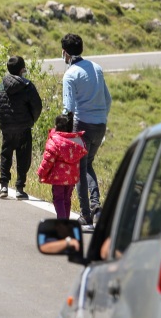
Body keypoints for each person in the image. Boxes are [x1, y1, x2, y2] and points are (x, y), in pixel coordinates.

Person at [60, 33, 112, 228]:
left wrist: (63, 132)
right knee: (88, 164)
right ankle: (97, 208)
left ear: (64, 52)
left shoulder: (70, 74)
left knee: (80, 169)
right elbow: (108, 99)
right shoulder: (96, 68)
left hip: (81, 125)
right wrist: (101, 117)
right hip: (100, 125)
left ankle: (86, 215)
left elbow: (68, 109)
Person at [0, 56, 43, 200]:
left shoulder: (1, 85)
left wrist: (4, 122)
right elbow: (37, 106)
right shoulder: (28, 86)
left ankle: (3, 186)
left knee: (6, 155)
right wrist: (31, 120)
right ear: (22, 69)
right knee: (23, 157)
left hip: (7, 127)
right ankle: (19, 188)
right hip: (23, 127)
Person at [38, 114, 89, 220]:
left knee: (58, 199)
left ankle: (61, 221)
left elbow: (47, 160)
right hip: (71, 178)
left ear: (57, 126)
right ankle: (66, 221)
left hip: (58, 179)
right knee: (67, 199)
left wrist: (41, 174)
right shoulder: (77, 141)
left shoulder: (55, 141)